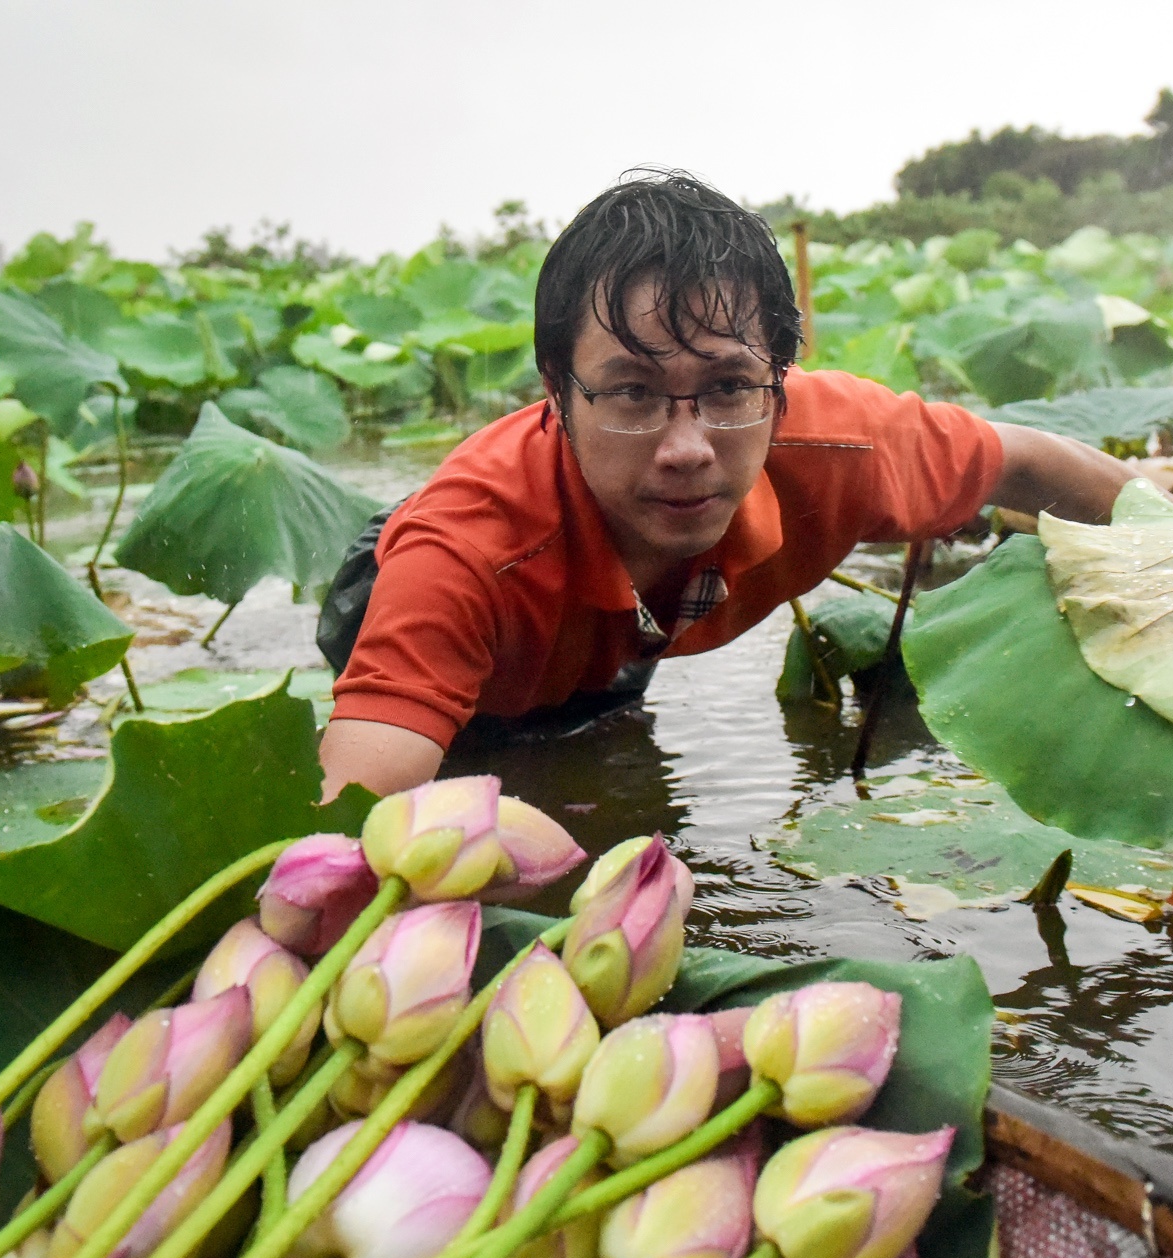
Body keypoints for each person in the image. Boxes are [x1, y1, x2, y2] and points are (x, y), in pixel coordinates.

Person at [319, 170, 1131, 800]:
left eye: (728, 388)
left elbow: (1028, 460)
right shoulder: (463, 552)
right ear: (556, 390)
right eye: (632, 391)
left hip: (622, 634)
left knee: (595, 753)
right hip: (429, 598)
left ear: (778, 382)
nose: (687, 449)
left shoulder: (842, 443)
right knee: (473, 770)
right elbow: (348, 825)